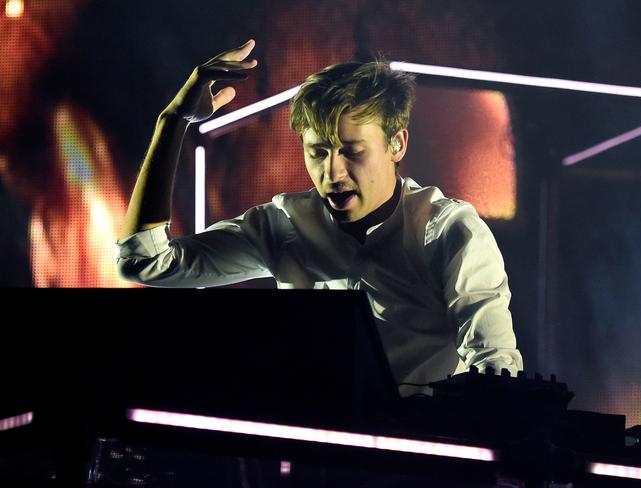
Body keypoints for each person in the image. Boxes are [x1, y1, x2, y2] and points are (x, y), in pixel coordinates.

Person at [116, 39, 523, 394]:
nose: (333, 173)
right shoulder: (284, 225)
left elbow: (496, 370)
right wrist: (172, 124)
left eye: (351, 150)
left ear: (396, 144)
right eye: (318, 152)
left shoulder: (450, 231)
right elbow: (145, 263)